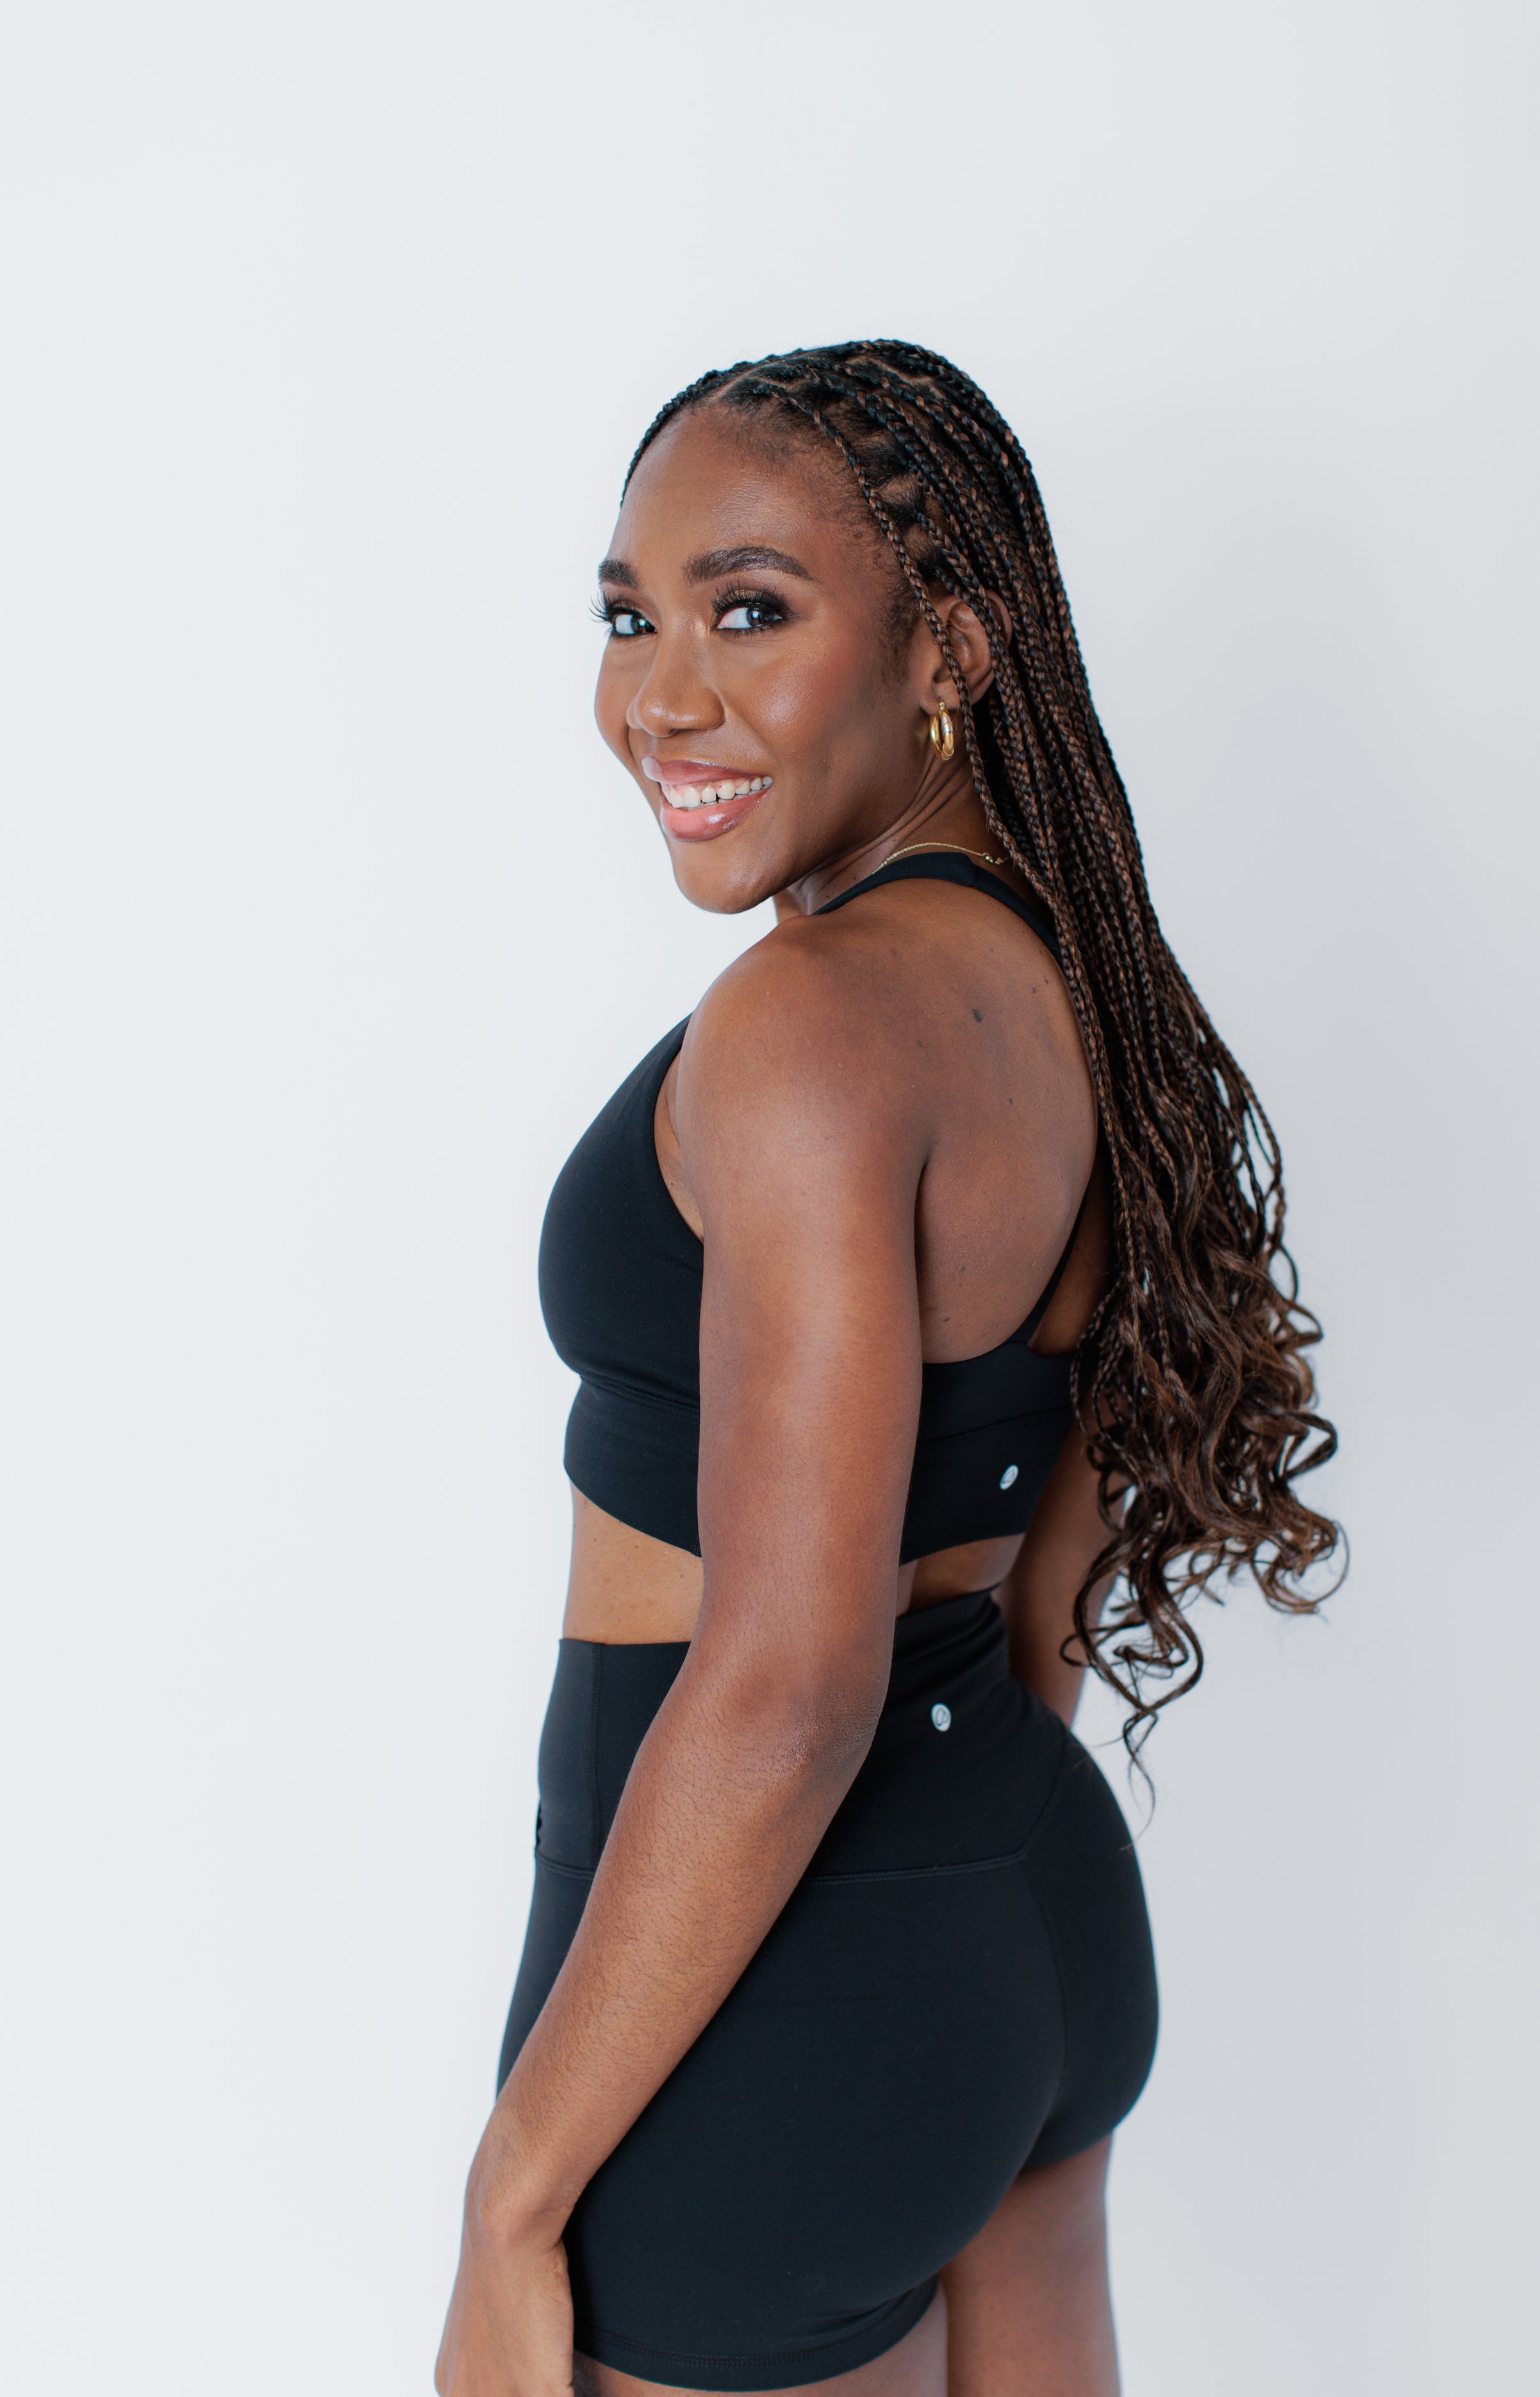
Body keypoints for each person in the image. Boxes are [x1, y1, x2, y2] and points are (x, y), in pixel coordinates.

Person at [435, 342, 1339, 2397]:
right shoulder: (1064, 980)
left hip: (772, 2003)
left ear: (947, 644)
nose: (662, 691)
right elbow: (1031, 1559)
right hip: (1018, 1910)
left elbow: (786, 1681)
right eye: (627, 614)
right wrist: (952, 1907)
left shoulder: (809, 1028)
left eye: (748, 608)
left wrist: (511, 2199)